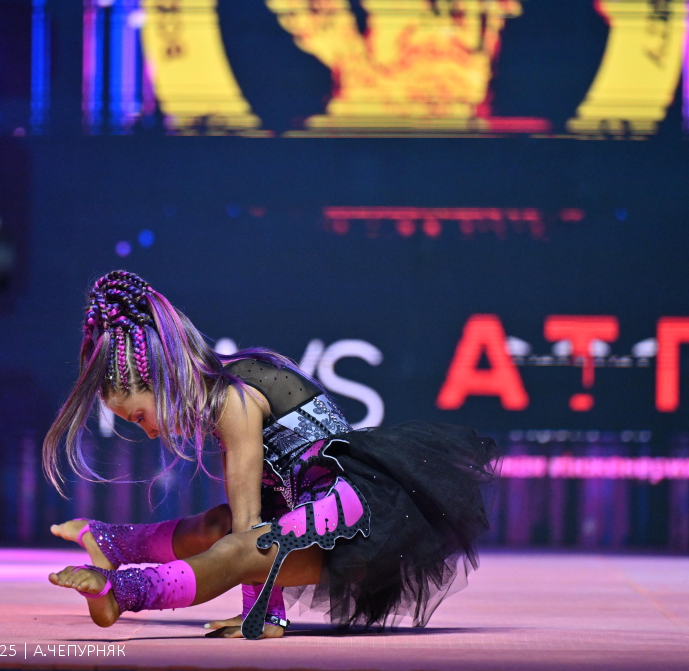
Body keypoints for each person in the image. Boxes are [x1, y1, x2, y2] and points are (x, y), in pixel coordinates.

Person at [43, 270, 498, 639]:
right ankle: (112, 542)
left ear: (163, 381)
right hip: (314, 513)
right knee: (217, 526)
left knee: (237, 540)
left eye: (140, 416)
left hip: (354, 523)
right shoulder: (222, 390)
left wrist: (259, 614)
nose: (147, 431)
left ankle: (123, 591)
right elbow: (252, 515)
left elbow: (249, 528)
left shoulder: (232, 399)